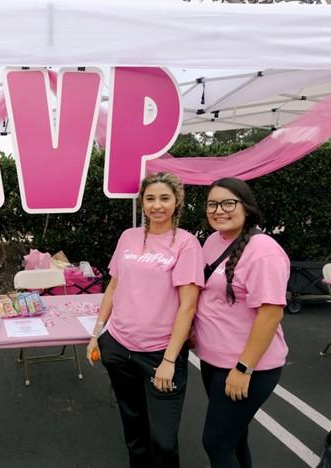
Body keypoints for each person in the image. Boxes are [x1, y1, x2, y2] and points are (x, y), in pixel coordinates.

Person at [86, 172, 204, 468]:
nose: (157, 205)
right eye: (150, 198)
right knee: (133, 427)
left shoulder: (186, 244)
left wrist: (168, 360)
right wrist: (97, 333)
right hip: (118, 346)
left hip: (159, 354)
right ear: (143, 202)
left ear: (177, 202)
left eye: (164, 198)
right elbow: (114, 285)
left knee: (163, 440)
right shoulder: (129, 236)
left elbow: (188, 306)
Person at [195, 177, 289, 468]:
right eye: (212, 204)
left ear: (246, 207)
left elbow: (271, 314)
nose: (219, 210)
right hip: (212, 361)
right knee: (234, 438)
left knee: (216, 443)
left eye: (228, 203)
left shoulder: (264, 251)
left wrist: (243, 368)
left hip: (247, 367)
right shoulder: (213, 241)